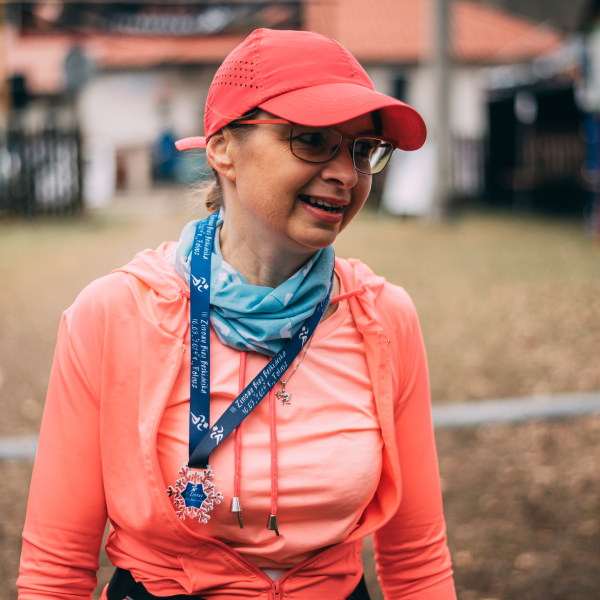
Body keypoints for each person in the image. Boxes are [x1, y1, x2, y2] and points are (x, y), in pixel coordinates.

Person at [17, 29, 456, 600]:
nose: (347, 174)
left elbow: (417, 560)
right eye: (313, 140)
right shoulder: (112, 315)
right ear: (223, 148)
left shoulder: (383, 318)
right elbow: (55, 569)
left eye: (362, 149)